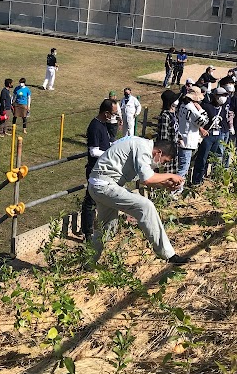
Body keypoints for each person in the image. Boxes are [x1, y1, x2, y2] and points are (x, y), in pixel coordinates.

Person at [88, 137, 190, 264]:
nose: (162, 165)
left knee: (107, 227)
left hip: (101, 185)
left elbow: (148, 180)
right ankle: (169, 255)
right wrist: (170, 176)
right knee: (146, 206)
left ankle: (88, 262)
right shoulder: (142, 148)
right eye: (164, 161)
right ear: (159, 153)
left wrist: (166, 185)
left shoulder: (140, 146)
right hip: (104, 185)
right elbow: (147, 179)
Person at [81, 100, 115, 243]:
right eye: (113, 114)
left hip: (102, 169)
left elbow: (107, 143)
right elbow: (93, 151)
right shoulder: (95, 126)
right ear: (106, 113)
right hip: (94, 170)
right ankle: (87, 233)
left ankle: (99, 227)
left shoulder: (104, 125)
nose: (114, 116)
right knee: (90, 202)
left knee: (99, 200)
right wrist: (110, 153)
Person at [191, 87, 234, 185]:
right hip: (208, 136)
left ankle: (212, 177)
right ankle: (197, 180)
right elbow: (197, 120)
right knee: (202, 158)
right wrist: (201, 129)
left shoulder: (222, 108)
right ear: (215, 96)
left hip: (218, 134)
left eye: (224, 96)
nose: (223, 98)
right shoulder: (207, 107)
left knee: (215, 157)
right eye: (221, 96)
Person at [176, 85, 209, 187]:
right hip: (188, 142)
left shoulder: (182, 105)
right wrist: (201, 109)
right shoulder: (192, 109)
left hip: (182, 138)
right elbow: (204, 121)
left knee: (182, 166)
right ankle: (177, 190)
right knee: (183, 169)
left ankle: (177, 189)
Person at [156, 89, 180, 174]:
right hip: (167, 150)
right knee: (166, 174)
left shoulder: (174, 114)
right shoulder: (165, 116)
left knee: (174, 172)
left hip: (174, 147)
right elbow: (163, 136)